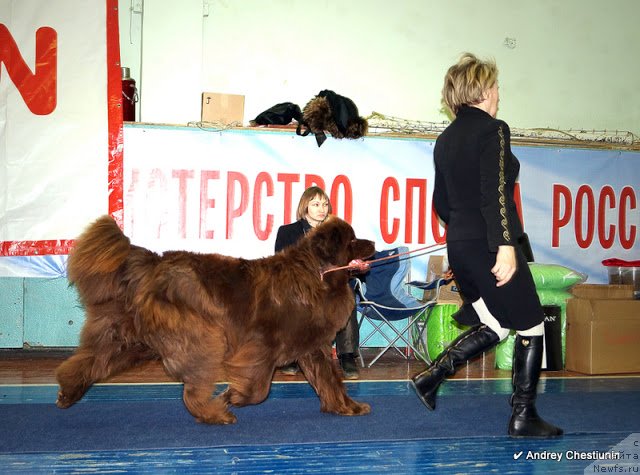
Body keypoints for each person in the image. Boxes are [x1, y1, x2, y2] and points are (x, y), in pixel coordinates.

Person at [411, 53, 562, 438]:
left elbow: (441, 204)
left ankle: (433, 375)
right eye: (495, 86)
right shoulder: (493, 129)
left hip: (460, 244)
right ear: (483, 90)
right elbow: (496, 193)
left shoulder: (445, 140)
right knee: (531, 325)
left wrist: (467, 236)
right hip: (491, 245)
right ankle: (523, 416)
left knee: (495, 324)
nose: (499, 94)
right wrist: (505, 246)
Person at [274, 186, 360, 379]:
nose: (322, 208)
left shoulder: (337, 233)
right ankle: (292, 358)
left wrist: (353, 264)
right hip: (299, 287)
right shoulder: (288, 231)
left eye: (325, 204)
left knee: (345, 296)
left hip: (328, 288)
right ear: (305, 207)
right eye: (315, 204)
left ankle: (346, 355)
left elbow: (345, 264)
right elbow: (280, 263)